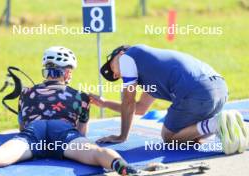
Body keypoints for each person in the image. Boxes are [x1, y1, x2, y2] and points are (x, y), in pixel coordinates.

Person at [0, 46, 138, 175]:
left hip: (33, 131)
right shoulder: (80, 97)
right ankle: (121, 166)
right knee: (96, 153)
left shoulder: (25, 93)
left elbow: (22, 127)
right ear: (67, 73)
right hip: (64, 131)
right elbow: (81, 133)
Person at [90, 44, 249, 154]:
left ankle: (215, 124)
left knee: (169, 136)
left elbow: (129, 103)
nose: (116, 75)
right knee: (187, 138)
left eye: (112, 69)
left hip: (197, 92)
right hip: (220, 89)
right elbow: (139, 108)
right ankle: (224, 125)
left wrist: (121, 137)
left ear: (119, 54)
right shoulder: (150, 68)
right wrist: (104, 103)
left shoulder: (127, 57)